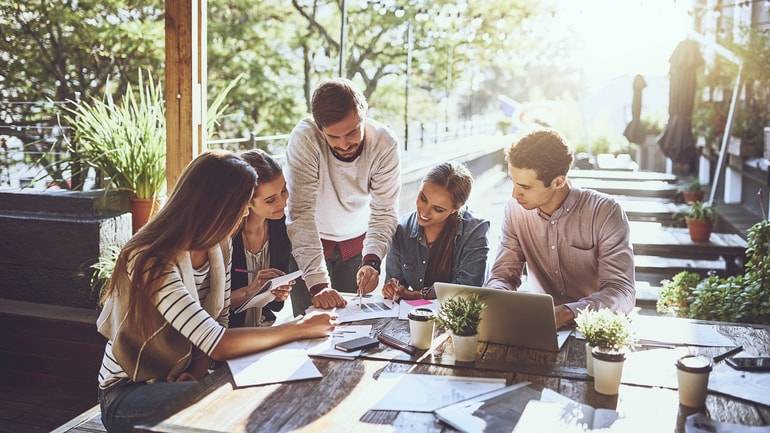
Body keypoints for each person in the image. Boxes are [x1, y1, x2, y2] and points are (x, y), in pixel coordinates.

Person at [96, 150, 335, 433]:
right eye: (241, 205)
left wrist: (195, 372)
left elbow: (217, 323)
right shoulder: (149, 258)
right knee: (234, 408)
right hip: (127, 393)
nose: (246, 213)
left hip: (180, 378)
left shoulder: (219, 246)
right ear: (215, 207)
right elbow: (218, 342)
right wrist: (298, 328)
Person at [485, 129, 635, 329]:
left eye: (525, 187)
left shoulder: (605, 212)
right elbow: (503, 276)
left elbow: (621, 291)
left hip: (598, 328)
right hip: (539, 326)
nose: (514, 194)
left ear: (558, 181)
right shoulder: (515, 211)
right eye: (513, 182)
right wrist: (497, 298)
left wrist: (566, 313)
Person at [285, 78, 400, 312]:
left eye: (351, 132)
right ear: (319, 128)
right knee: (309, 327)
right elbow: (300, 214)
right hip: (308, 245)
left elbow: (384, 212)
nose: (344, 144)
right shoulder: (305, 139)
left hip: (357, 247)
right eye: (333, 137)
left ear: (364, 116)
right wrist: (318, 285)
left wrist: (373, 261)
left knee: (355, 325)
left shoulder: (384, 144)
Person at [383, 162, 489, 301]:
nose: (425, 212)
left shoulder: (475, 231)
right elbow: (395, 285)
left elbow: (468, 289)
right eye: (423, 198)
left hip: (458, 316)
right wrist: (392, 289)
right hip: (415, 316)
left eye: (438, 209)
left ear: (455, 209)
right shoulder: (402, 229)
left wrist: (421, 295)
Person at [230, 149, 302, 327]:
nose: (282, 203)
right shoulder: (225, 237)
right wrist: (250, 290)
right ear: (246, 201)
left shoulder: (282, 227)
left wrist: (279, 292)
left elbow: (276, 306)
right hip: (226, 334)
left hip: (263, 328)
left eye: (284, 191)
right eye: (270, 200)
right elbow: (208, 307)